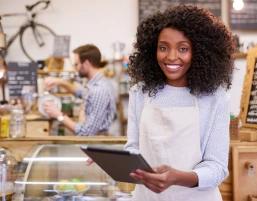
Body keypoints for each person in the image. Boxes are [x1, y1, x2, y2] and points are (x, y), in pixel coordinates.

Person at [124, 5, 235, 201]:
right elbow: (134, 148)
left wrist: (178, 178)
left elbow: (217, 167)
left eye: (183, 48)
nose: (171, 56)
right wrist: (113, 160)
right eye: (163, 47)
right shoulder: (140, 92)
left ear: (200, 52)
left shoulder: (215, 98)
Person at [43, 44, 116, 136]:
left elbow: (86, 133)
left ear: (86, 64)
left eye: (76, 64)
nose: (75, 68)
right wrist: (59, 82)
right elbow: (80, 92)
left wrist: (59, 115)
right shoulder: (95, 84)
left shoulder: (98, 90)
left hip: (96, 146)